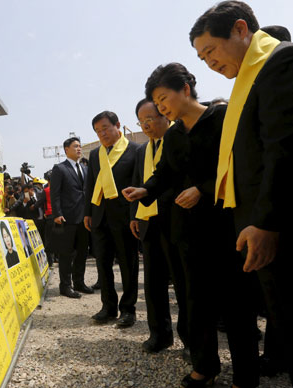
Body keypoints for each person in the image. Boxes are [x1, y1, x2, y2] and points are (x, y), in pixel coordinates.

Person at [190, 2, 293, 385]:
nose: (208, 63)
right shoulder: (246, 81)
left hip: (280, 228)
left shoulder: (282, 62)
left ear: (241, 30)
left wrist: (267, 222)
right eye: (201, 57)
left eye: (211, 51)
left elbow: (285, 148)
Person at [122, 62, 259, 388]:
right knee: (194, 301)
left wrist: (203, 189)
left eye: (163, 97)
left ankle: (246, 373)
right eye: (156, 101)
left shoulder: (223, 119)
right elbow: (165, 174)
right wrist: (146, 189)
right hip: (185, 232)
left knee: (236, 304)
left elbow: (243, 165)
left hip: (225, 226)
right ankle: (205, 365)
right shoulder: (174, 135)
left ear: (185, 89)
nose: (161, 106)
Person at [130, 99, 189, 354]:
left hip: (177, 219)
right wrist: (135, 215)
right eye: (141, 121)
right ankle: (159, 334)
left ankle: (191, 339)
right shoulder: (143, 150)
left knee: (183, 281)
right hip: (148, 221)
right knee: (153, 281)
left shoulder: (180, 140)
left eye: (150, 119)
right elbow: (139, 181)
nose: (146, 125)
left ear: (166, 115)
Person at [84, 112, 140, 327]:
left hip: (124, 217)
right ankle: (108, 307)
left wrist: (135, 215)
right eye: (98, 131)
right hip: (100, 217)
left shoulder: (135, 150)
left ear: (117, 125)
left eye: (105, 128)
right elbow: (90, 184)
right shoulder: (95, 154)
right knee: (103, 264)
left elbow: (138, 182)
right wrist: (87, 212)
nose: (102, 133)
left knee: (128, 265)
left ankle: (128, 309)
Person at [50, 137, 92, 298]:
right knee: (66, 254)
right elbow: (55, 194)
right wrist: (57, 213)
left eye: (80, 146)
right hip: (67, 218)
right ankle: (65, 286)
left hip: (84, 218)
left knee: (82, 252)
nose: (79, 149)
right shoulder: (60, 168)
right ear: (66, 149)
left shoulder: (85, 168)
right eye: (75, 146)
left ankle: (79, 283)